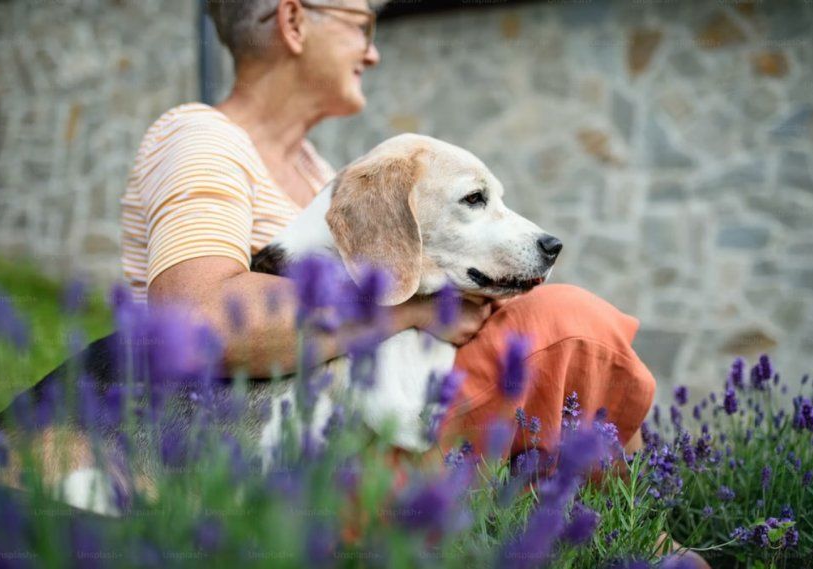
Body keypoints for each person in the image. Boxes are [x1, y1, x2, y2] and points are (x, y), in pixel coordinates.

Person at [121, 0, 653, 471]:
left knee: (558, 339)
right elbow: (194, 319)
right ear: (294, 20)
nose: (373, 54)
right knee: (570, 327)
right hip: (284, 449)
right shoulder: (202, 137)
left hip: (353, 418)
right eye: (363, 25)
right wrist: (413, 311)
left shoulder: (316, 172)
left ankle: (627, 530)